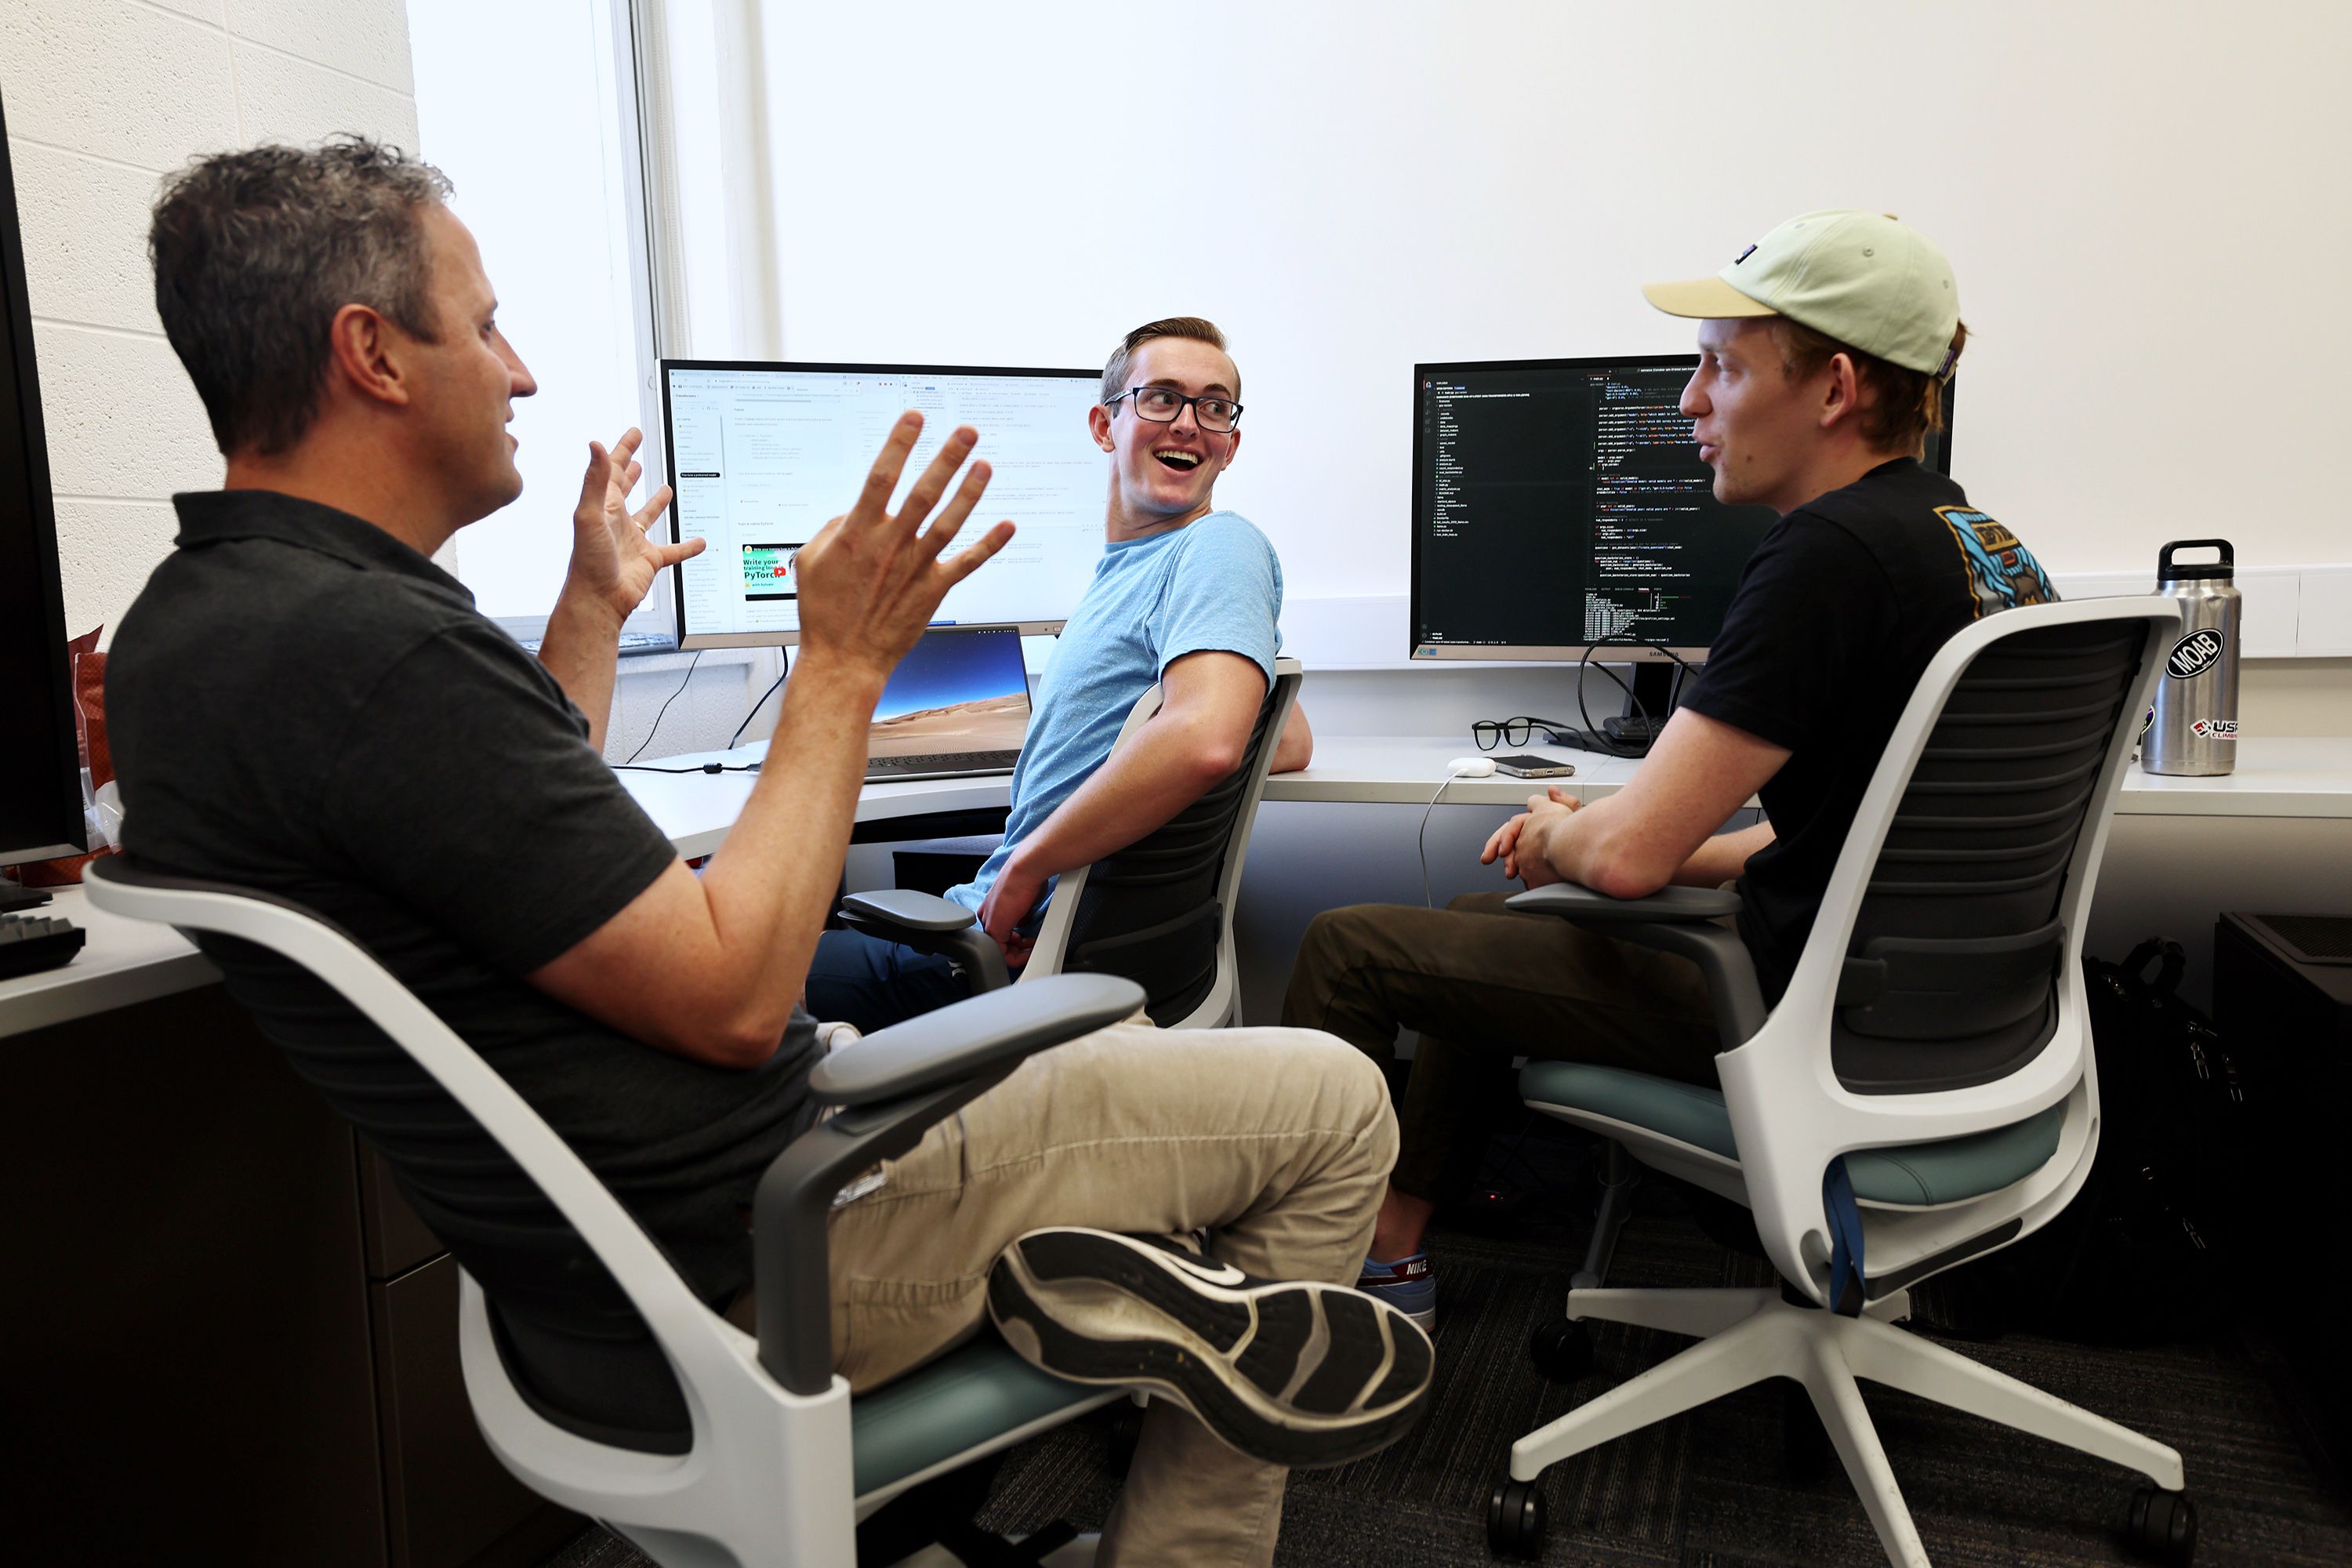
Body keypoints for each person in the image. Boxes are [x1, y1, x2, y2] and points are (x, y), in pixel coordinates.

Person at [110, 139, 1426, 1566]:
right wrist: (845, 662)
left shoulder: (196, 634)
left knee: (877, 970)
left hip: (587, 1277)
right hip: (789, 1240)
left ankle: (1098, 1276)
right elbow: (740, 1002)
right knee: (1341, 1100)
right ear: (370, 351)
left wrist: (593, 617)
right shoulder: (383, 650)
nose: (523, 371)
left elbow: (494, 818)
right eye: (485, 323)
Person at [1283, 209, 2056, 1330]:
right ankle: (1392, 1249)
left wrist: (1562, 834)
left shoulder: (1826, 555)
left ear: (1834, 388)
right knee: (1467, 920)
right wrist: (1666, 852)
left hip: (1798, 1017)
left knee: (1348, 947)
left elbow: (1629, 861)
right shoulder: (1979, 545)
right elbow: (1860, 834)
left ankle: (1294, 1304)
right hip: (1946, 1020)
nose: (1689, 403)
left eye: (1720, 369)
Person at [804, 316, 1313, 1033]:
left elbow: (1210, 740)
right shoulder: (1142, 574)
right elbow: (1284, 740)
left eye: (1214, 406)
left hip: (1003, 961)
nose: (1190, 423)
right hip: (1043, 954)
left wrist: (1027, 866)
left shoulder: (1218, 546)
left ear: (1231, 443)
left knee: (715, 974)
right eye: (1161, 398)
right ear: (1105, 426)